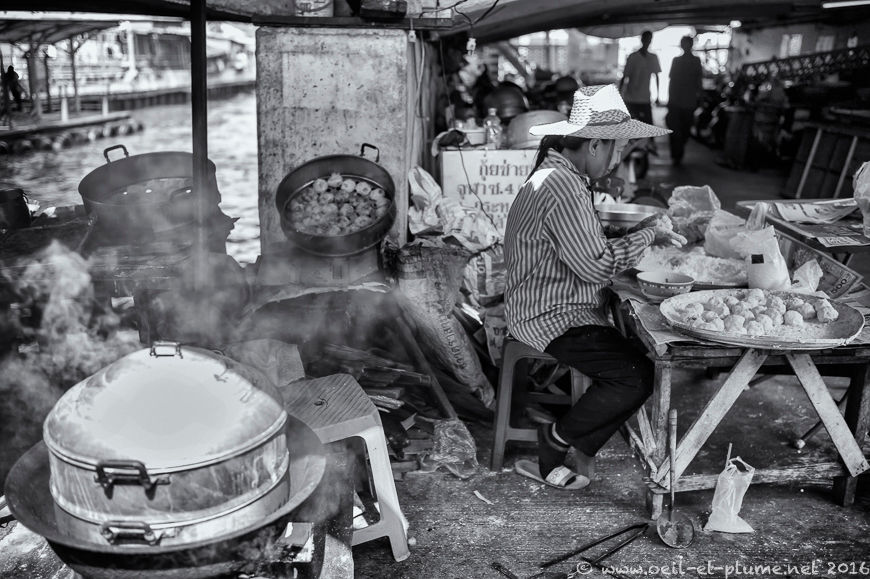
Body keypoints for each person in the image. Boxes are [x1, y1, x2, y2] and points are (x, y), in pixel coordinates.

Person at [504, 84, 686, 490]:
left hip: (550, 301)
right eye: (617, 150)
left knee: (639, 358)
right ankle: (556, 440)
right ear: (594, 145)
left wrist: (638, 232)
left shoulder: (557, 174)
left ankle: (582, 441)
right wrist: (647, 236)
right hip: (548, 313)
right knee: (635, 375)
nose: (618, 160)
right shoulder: (562, 185)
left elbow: (582, 244)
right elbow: (594, 266)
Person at [666, 36, 704, 166]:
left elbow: (699, 81)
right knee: (675, 129)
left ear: (691, 45)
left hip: (689, 101)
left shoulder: (696, 61)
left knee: (686, 130)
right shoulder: (676, 61)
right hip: (676, 100)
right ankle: (677, 155)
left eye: (687, 44)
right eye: (683, 44)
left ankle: (679, 150)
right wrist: (669, 99)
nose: (685, 46)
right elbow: (671, 81)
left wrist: (701, 97)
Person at [619, 31, 661, 126]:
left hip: (645, 97)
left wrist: (657, 96)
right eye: (646, 39)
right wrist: (620, 94)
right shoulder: (633, 57)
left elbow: (657, 77)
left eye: (649, 39)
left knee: (647, 127)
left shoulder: (653, 58)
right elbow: (625, 76)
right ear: (642, 40)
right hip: (631, 97)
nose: (648, 41)